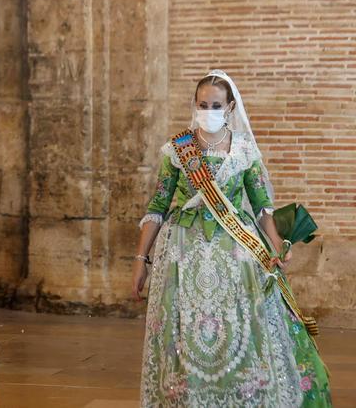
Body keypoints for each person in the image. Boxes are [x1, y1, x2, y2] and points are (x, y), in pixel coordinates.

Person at [134, 71, 331, 406]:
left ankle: (241, 396)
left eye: (215, 105)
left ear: (230, 107)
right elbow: (158, 206)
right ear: (194, 105)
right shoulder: (177, 149)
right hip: (183, 254)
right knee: (187, 334)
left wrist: (277, 244)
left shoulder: (243, 150)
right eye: (202, 104)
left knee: (239, 329)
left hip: (237, 253)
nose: (207, 110)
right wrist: (140, 260)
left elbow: (262, 208)